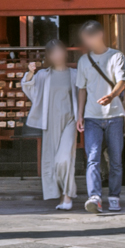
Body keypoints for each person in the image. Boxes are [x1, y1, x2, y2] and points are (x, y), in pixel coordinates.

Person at [74, 19, 125, 214]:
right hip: (91, 117)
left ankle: (114, 196)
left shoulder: (116, 56)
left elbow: (122, 81)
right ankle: (95, 197)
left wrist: (112, 96)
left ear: (99, 35)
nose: (87, 42)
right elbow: (81, 89)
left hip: (115, 115)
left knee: (115, 159)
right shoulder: (83, 61)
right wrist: (79, 115)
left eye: (89, 37)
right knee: (93, 158)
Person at [22, 39, 78, 210]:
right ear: (49, 56)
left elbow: (83, 94)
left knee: (64, 159)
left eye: (60, 51)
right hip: (50, 122)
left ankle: (68, 195)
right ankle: (61, 196)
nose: (58, 55)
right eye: (53, 53)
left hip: (70, 120)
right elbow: (29, 88)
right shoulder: (44, 75)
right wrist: (30, 73)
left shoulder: (74, 74)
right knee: (52, 161)